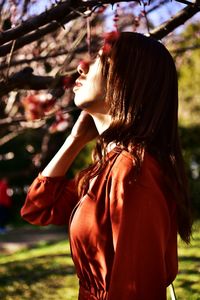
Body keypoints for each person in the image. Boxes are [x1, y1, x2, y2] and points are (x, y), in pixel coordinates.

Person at [21, 32, 192, 300]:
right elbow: (38, 208)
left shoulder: (133, 171)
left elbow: (135, 291)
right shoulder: (105, 168)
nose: (81, 66)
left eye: (99, 59)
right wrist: (74, 140)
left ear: (127, 79)